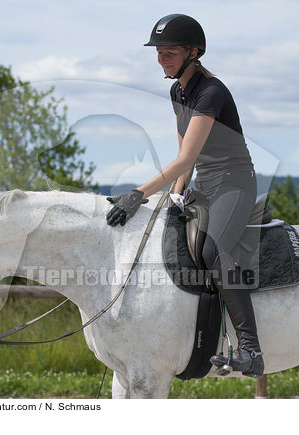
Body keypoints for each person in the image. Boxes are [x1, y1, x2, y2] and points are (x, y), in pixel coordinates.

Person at [106, 13, 264, 377]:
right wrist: (174, 198)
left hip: (234, 183)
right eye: (159, 53)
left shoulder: (212, 92)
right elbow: (184, 159)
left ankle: (251, 348)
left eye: (170, 52)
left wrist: (139, 194)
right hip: (205, 184)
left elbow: (186, 157)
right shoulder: (178, 91)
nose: (163, 59)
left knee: (212, 249)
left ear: (194, 52)